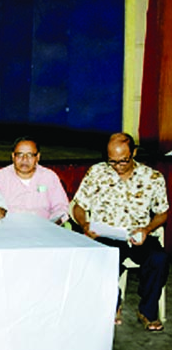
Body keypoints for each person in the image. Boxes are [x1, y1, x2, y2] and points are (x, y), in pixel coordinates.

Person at [71, 133, 168, 331]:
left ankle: (147, 311)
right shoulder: (97, 172)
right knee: (101, 258)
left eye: (123, 160)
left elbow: (162, 213)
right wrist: (85, 224)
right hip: (106, 234)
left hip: (138, 234)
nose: (117, 166)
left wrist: (147, 229)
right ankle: (111, 304)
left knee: (159, 259)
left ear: (133, 152)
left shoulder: (153, 177)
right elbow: (78, 206)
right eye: (112, 161)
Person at [0, 137, 69, 223]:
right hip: (8, 229)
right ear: (13, 156)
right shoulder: (0, 177)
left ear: (38, 157)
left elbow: (61, 207)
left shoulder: (49, 177)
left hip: (42, 229)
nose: (24, 159)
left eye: (30, 155)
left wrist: (55, 222)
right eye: (20, 154)